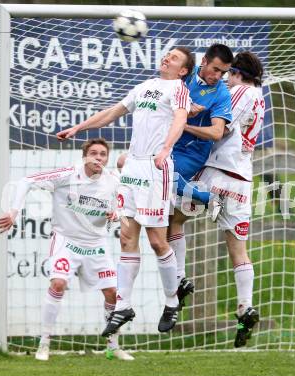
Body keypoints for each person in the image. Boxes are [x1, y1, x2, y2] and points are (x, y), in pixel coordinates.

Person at [56, 47, 195, 335]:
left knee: (157, 241)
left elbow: (181, 119)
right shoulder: (144, 86)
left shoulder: (178, 88)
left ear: (183, 70)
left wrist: (166, 148)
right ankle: (123, 305)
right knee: (126, 236)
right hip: (131, 168)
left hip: (156, 169)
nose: (167, 58)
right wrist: (78, 128)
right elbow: (112, 113)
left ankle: (171, 301)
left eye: (175, 58)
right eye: (167, 54)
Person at [0, 138, 134, 361]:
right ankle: (44, 343)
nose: (98, 157)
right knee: (58, 283)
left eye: (103, 154)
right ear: (84, 156)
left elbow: (125, 209)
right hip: (66, 240)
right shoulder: (68, 175)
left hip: (96, 244)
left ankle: (113, 346)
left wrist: (117, 214)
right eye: (94, 153)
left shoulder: (113, 181)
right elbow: (26, 181)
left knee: (112, 293)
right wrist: (13, 212)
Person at [183, 51, 265, 347]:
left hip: (219, 172)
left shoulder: (239, 91)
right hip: (243, 179)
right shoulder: (259, 95)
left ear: (237, 73)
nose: (225, 77)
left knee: (172, 218)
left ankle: (179, 280)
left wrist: (186, 118)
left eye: (229, 73)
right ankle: (245, 305)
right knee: (238, 250)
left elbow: (221, 129)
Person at [167, 44, 234, 308]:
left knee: (160, 170)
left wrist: (184, 124)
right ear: (204, 61)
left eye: (224, 72)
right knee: (171, 220)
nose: (218, 76)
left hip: (190, 152)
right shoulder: (182, 75)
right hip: (166, 143)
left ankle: (208, 197)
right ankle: (180, 279)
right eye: (216, 69)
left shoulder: (220, 93)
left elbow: (217, 133)